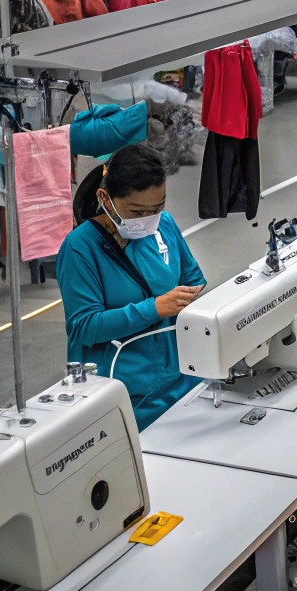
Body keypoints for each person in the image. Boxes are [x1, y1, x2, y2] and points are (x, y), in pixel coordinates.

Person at [57, 143, 205, 430]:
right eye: (137, 211)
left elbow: (193, 279)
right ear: (106, 199)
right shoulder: (80, 249)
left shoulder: (164, 225)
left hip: (180, 378)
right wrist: (154, 308)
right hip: (126, 393)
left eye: (157, 207)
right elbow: (84, 327)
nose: (148, 219)